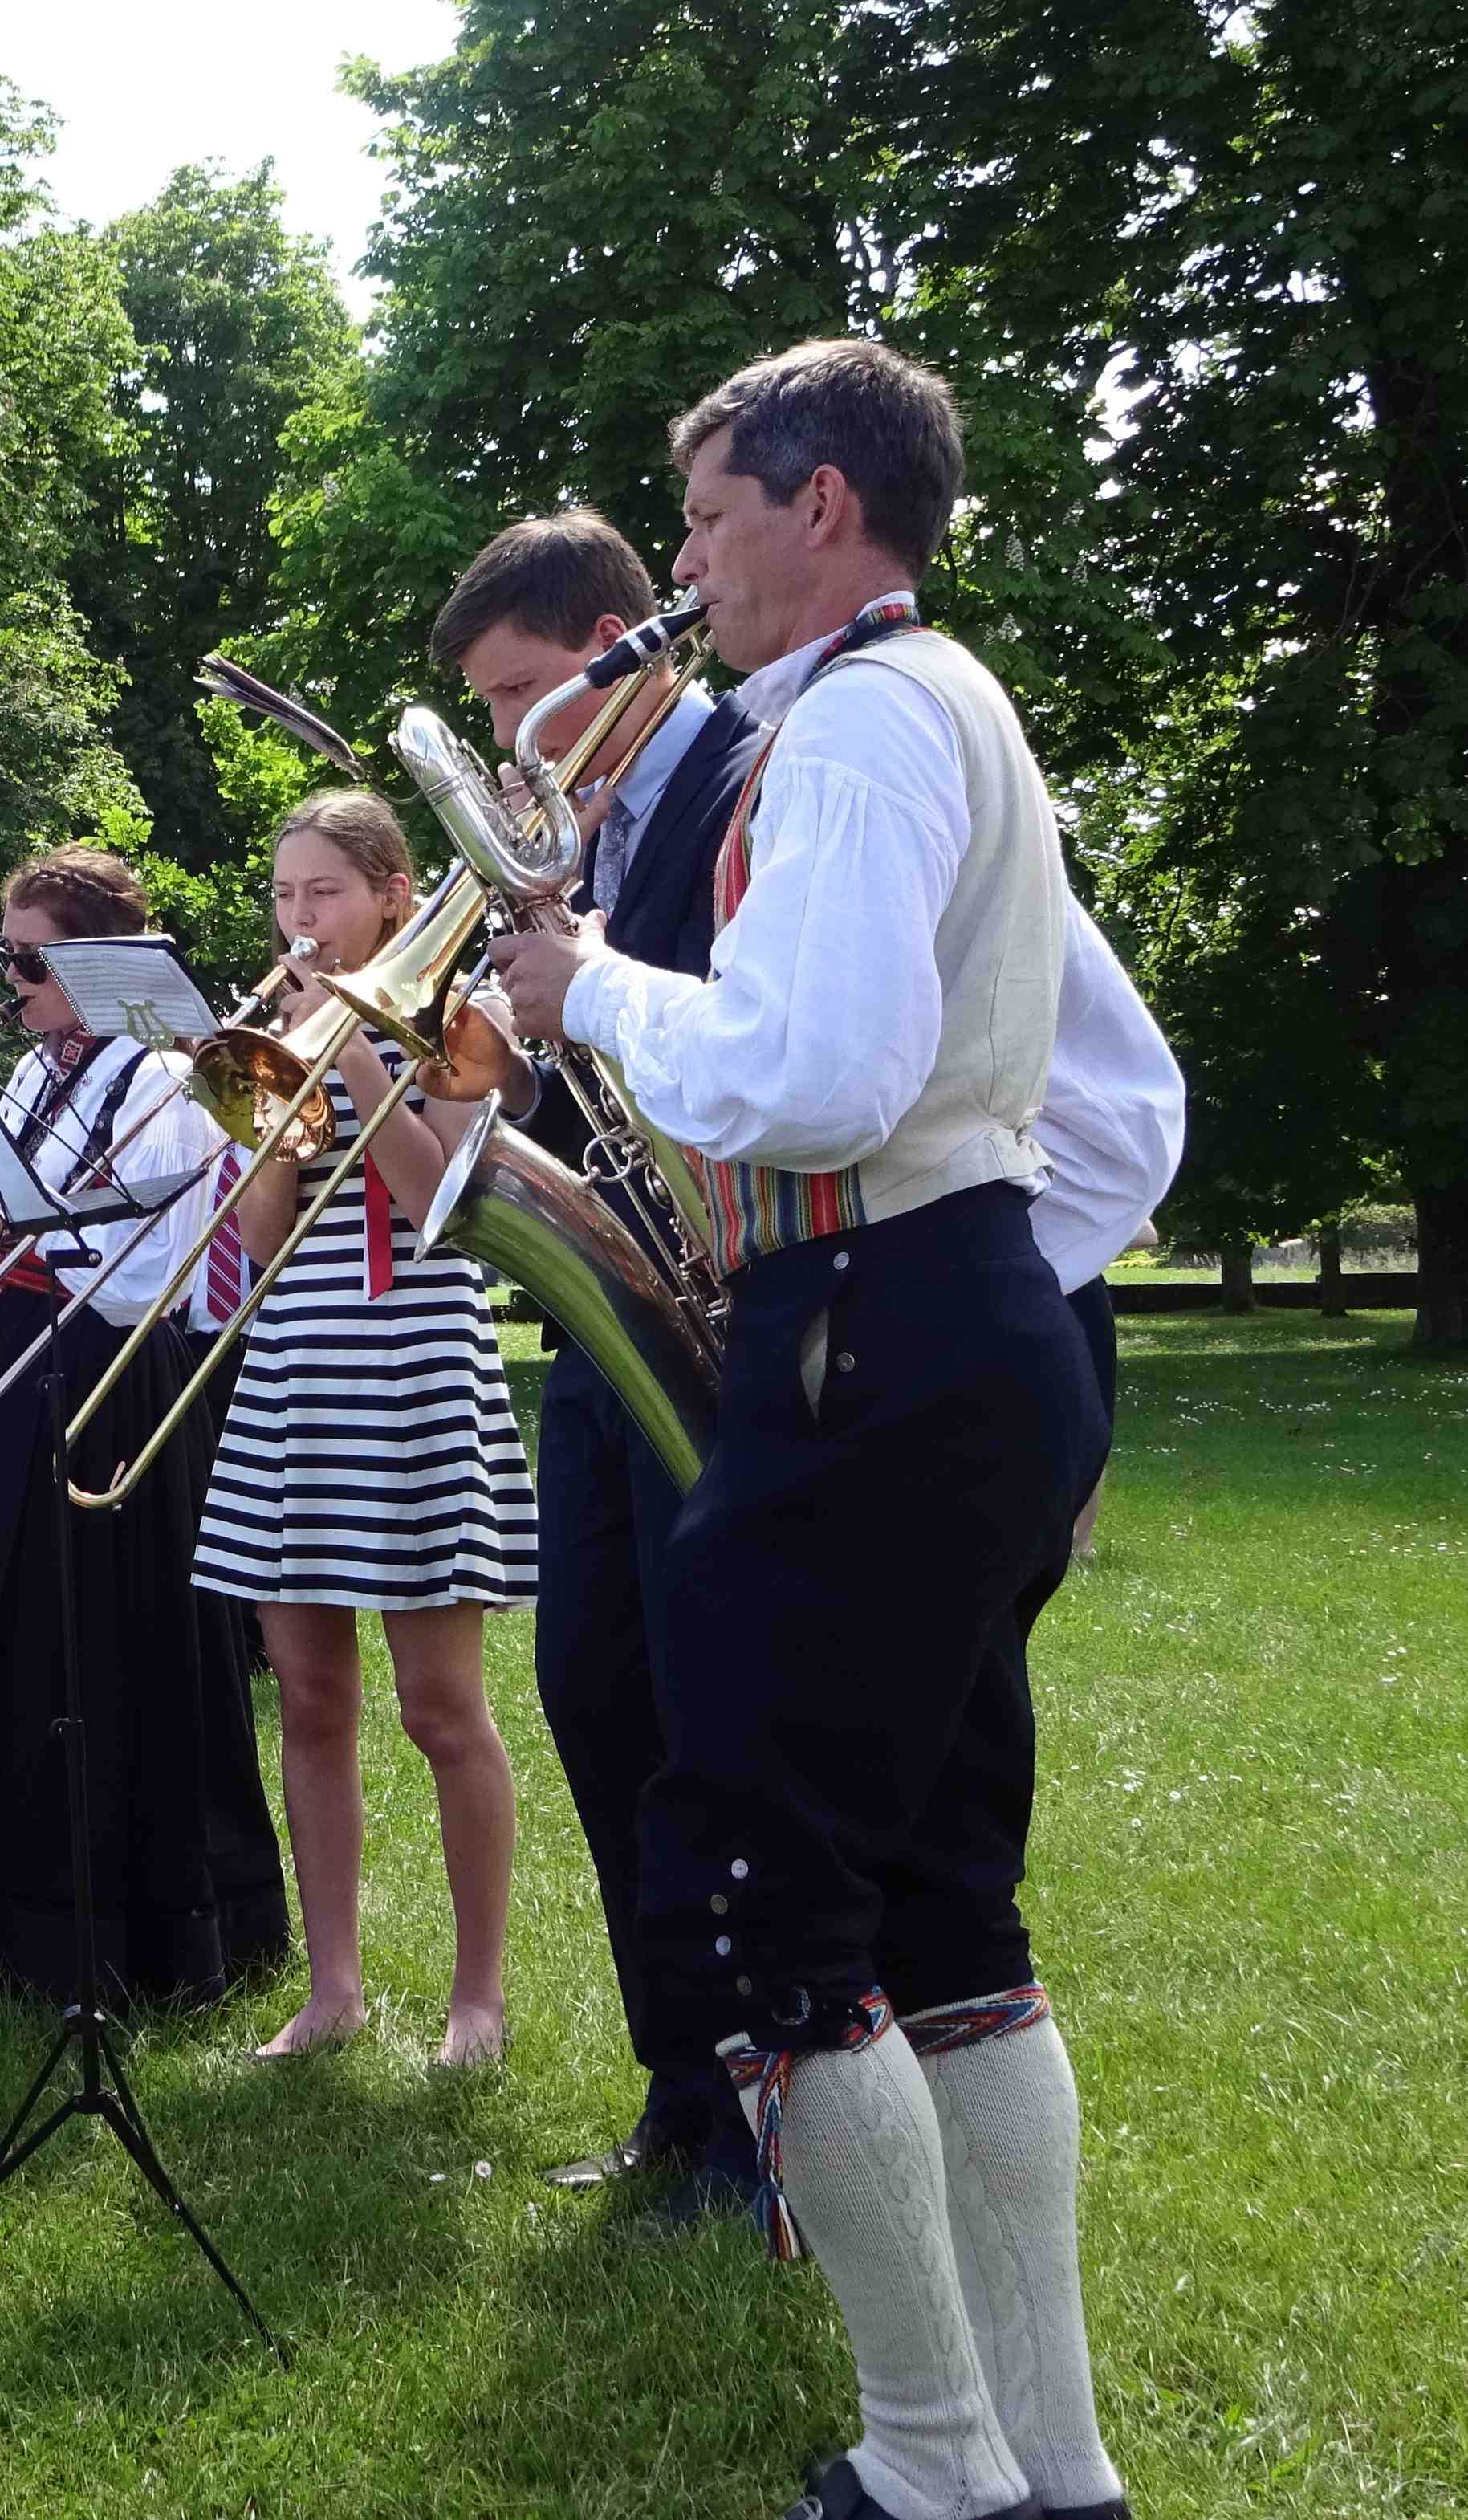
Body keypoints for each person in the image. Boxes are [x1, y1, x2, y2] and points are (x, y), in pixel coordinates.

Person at [493, 338, 1128, 2520]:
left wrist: (585, 984)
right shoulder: (938, 702)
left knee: (763, 1894)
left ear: (819, 505)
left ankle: (931, 2462)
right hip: (952, 1318)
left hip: (862, 1324)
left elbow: (817, 1075)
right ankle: (1048, 2463)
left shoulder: (852, 725)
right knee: (947, 1909)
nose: (679, 562)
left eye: (702, 516)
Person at [433, 509, 771, 2194]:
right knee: (591, 1683)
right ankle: (678, 2087)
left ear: (609, 648)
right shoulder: (577, 827)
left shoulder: (751, 773)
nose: (510, 740)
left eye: (520, 695)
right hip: (605, 1302)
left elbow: (751, 1052)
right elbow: (581, 1089)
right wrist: (504, 1047)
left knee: (719, 1715)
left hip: (733, 1308)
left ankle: (770, 2103)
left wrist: (589, 974)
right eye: (488, 709)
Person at [0, 849, 288, 2000]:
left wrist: (9, 1219)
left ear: (95, 965)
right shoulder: (37, 1075)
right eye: (5, 957)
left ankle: (115, 1927)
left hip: (112, 1385)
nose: (10, 981)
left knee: (93, 1650)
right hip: (19, 1369)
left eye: (29, 962)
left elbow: (153, 1266)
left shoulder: (165, 1079)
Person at [192, 789, 539, 2068]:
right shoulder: (275, 1032)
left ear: (393, 895)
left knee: (441, 1707)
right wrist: (274, 1087)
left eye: (323, 892)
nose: (299, 918)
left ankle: (476, 1996)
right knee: (310, 1697)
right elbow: (262, 1240)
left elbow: (433, 1195)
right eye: (284, 895)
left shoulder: (460, 1018)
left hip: (413, 1368)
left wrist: (349, 1051)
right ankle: (332, 1985)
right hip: (299, 1366)